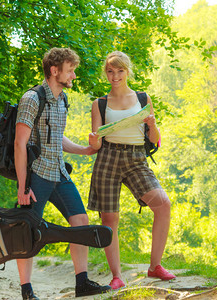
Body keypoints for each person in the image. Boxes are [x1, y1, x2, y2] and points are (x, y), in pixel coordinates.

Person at [14, 47, 111, 299]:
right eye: (70, 71)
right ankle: (26, 290)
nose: (74, 76)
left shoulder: (61, 99)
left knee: (81, 222)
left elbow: (58, 139)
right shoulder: (32, 98)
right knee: (27, 230)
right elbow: (19, 143)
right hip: (36, 176)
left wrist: (87, 150)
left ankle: (82, 283)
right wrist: (23, 187)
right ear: (54, 70)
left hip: (58, 173)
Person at [88, 51, 176, 290]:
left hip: (136, 158)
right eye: (110, 71)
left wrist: (153, 125)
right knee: (110, 219)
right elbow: (95, 145)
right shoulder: (99, 104)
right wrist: (94, 139)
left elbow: (155, 140)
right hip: (108, 158)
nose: (114, 76)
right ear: (106, 73)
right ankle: (116, 275)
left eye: (119, 71)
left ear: (127, 71)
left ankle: (155, 266)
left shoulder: (143, 98)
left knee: (163, 204)